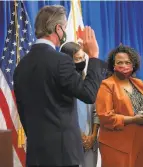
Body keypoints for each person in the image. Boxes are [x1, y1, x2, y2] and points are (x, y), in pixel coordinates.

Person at [13, 5, 105, 167]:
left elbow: (22, 111)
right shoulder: (61, 61)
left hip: (36, 154)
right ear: (58, 28)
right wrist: (94, 56)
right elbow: (88, 94)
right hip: (63, 155)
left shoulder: (22, 65)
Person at [95, 45, 143, 167]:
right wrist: (133, 119)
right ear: (113, 65)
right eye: (119, 62)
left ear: (133, 65)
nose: (124, 66)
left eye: (127, 62)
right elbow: (105, 117)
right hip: (117, 145)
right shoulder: (107, 85)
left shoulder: (139, 83)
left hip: (141, 142)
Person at [60, 42, 107, 167]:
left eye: (83, 58)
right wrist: (80, 136)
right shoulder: (63, 84)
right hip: (71, 140)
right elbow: (65, 113)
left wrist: (93, 135)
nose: (81, 62)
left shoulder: (89, 81)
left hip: (91, 140)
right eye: (77, 59)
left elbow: (97, 110)